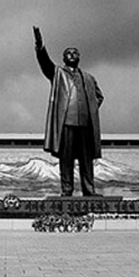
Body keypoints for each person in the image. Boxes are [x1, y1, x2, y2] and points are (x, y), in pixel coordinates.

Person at [33, 26, 104, 196]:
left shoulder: (88, 77)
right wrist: (40, 46)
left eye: (75, 53)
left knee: (87, 160)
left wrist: (90, 110)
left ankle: (89, 190)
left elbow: (99, 97)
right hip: (66, 123)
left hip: (86, 124)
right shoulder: (58, 73)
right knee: (67, 159)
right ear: (64, 58)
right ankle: (67, 190)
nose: (72, 55)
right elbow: (45, 63)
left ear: (79, 57)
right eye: (69, 53)